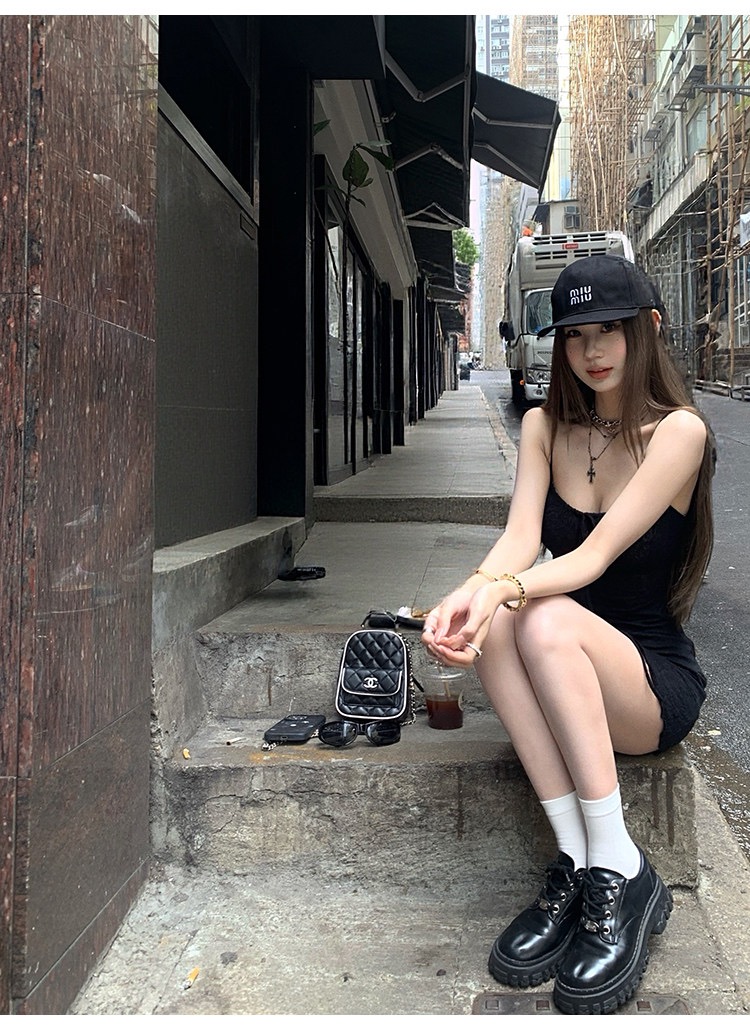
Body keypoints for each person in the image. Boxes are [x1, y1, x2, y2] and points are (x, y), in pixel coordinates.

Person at [421, 253, 714, 1015]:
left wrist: (505, 592)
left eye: (608, 329)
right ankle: (579, 859)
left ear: (648, 328)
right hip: (564, 672)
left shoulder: (678, 432)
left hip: (647, 684)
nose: (591, 350)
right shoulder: (544, 426)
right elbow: (521, 540)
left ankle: (625, 869)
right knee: (498, 619)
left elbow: (592, 558)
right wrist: (464, 598)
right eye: (576, 334)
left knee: (537, 612)